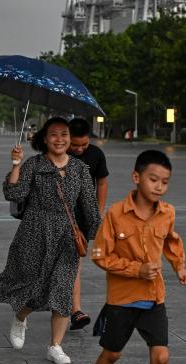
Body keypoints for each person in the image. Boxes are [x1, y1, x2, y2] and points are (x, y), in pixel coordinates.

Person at [82, 150, 186, 364]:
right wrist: (136, 269)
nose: (158, 186)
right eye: (153, 179)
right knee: (112, 354)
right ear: (136, 177)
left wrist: (179, 266)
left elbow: (171, 241)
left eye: (165, 182)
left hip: (154, 298)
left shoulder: (167, 212)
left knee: (161, 357)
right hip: (122, 299)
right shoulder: (116, 213)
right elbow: (100, 256)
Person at [0, 117, 101, 364]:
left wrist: (99, 236)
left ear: (70, 139)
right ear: (44, 139)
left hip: (67, 236)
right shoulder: (34, 165)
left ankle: (55, 346)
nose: (60, 139)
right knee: (36, 286)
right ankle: (21, 317)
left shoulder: (80, 170)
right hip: (35, 232)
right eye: (54, 135)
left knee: (62, 289)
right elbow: (14, 193)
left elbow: (90, 208)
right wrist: (16, 164)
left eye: (64, 134)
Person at [67, 118, 109, 331]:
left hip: (82, 216)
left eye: (83, 144)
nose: (79, 149)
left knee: (75, 260)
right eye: (75, 145)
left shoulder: (95, 155)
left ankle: (76, 310)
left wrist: (98, 212)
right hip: (57, 215)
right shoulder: (57, 155)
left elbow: (101, 182)